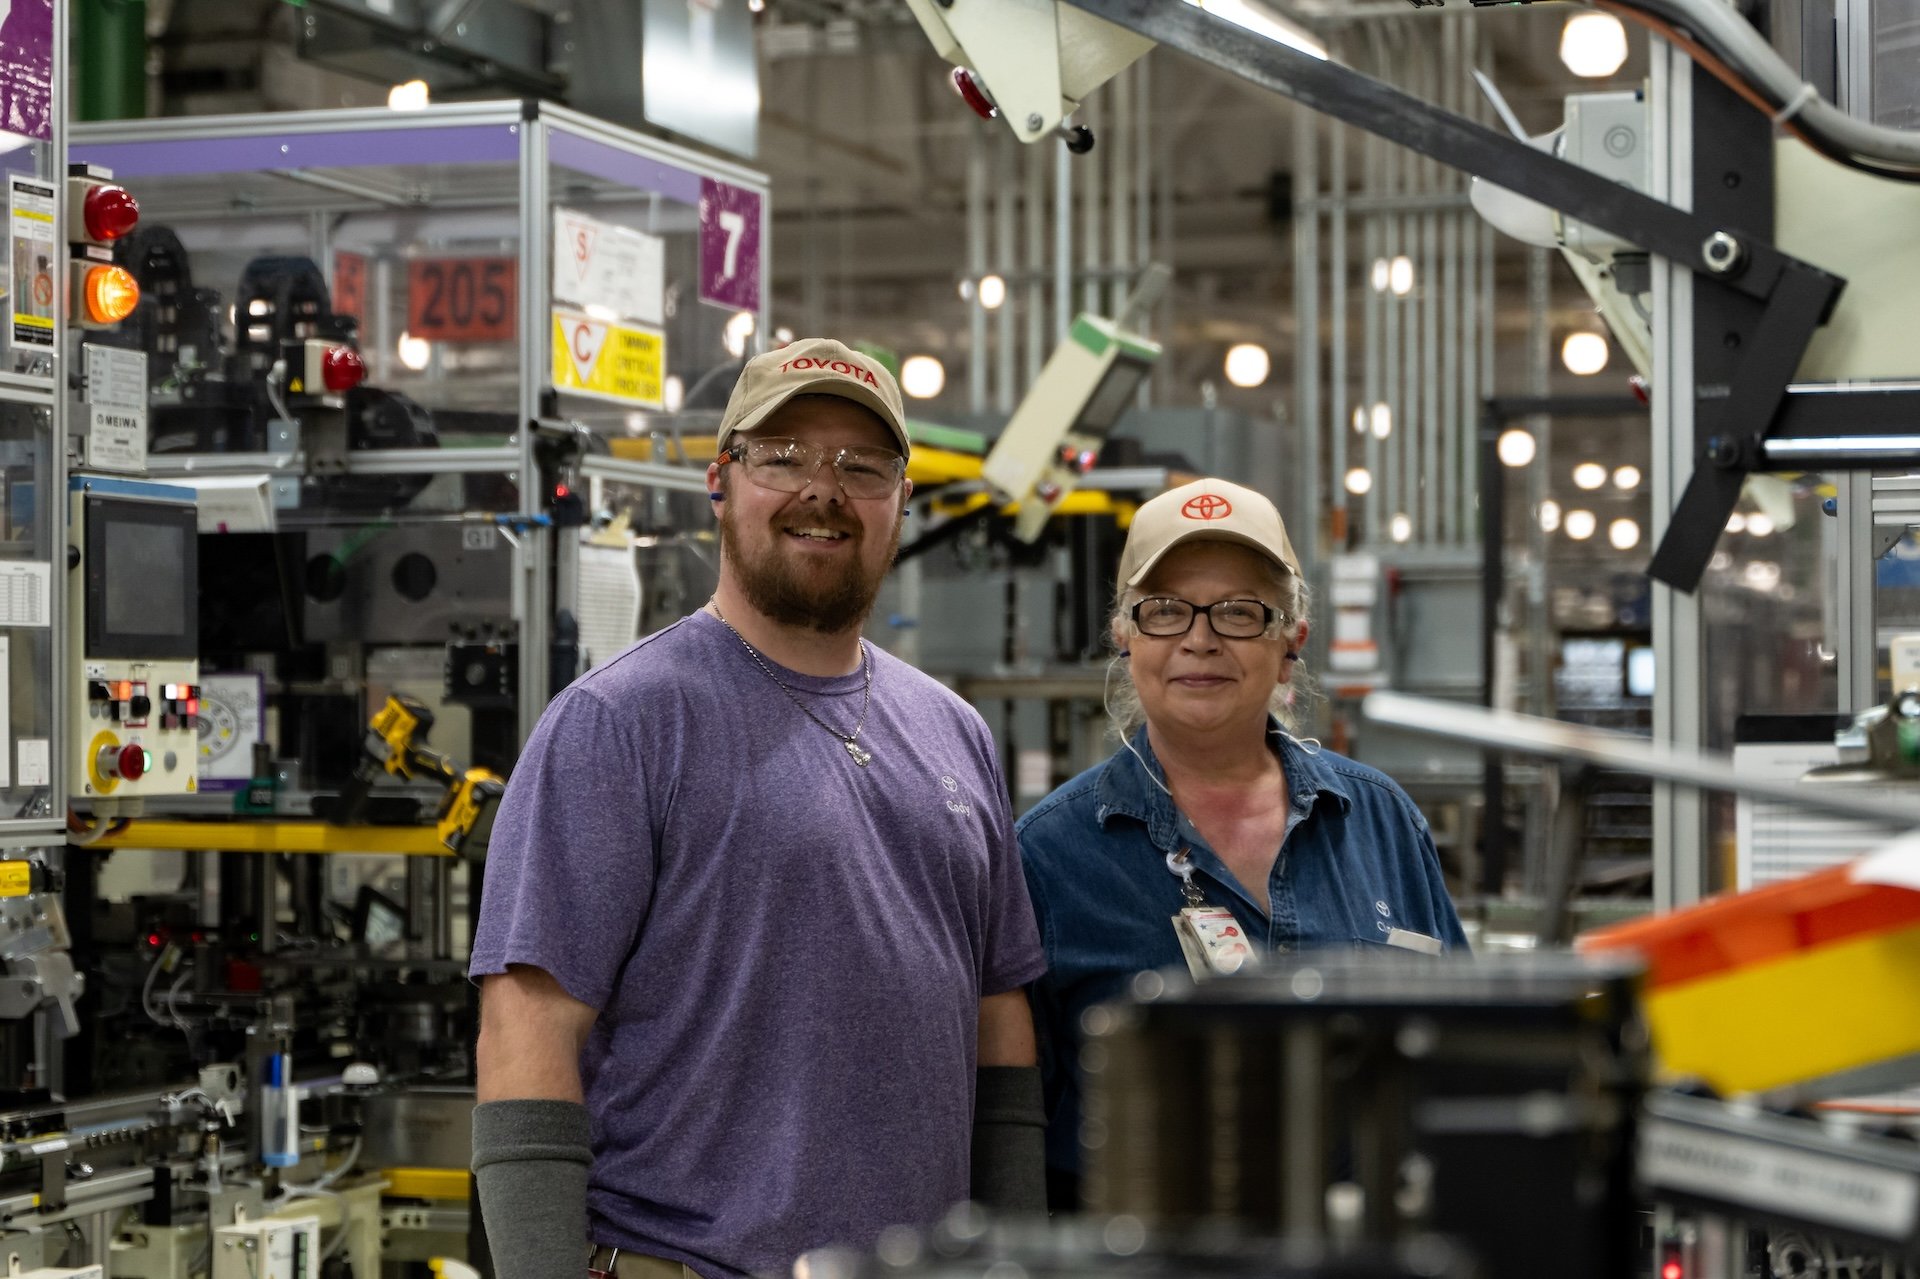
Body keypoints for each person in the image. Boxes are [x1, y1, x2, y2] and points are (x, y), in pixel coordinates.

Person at [468, 338, 1048, 1279]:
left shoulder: (955, 733)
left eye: (862, 466)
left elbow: (999, 1027)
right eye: (784, 457)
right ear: (721, 481)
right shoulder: (619, 723)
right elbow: (525, 1028)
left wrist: (1022, 1259)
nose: (824, 489)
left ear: (902, 501)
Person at [1015, 476, 1469, 1211]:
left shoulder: (1381, 821)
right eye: (1164, 610)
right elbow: (1014, 1126)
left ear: (1291, 642)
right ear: (1125, 637)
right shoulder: (1049, 857)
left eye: (1238, 611)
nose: (1200, 638)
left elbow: (1461, 1063)